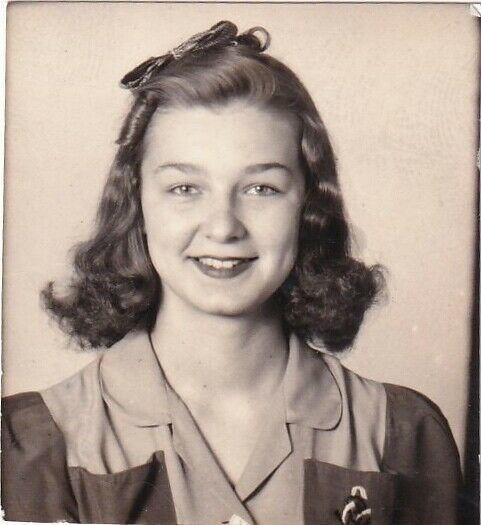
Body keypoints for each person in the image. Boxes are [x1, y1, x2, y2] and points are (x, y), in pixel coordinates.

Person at [1, 21, 462, 525]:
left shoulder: (401, 435)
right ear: (137, 204)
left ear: (307, 206)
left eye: (261, 188)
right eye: (184, 188)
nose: (223, 227)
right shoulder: (30, 446)